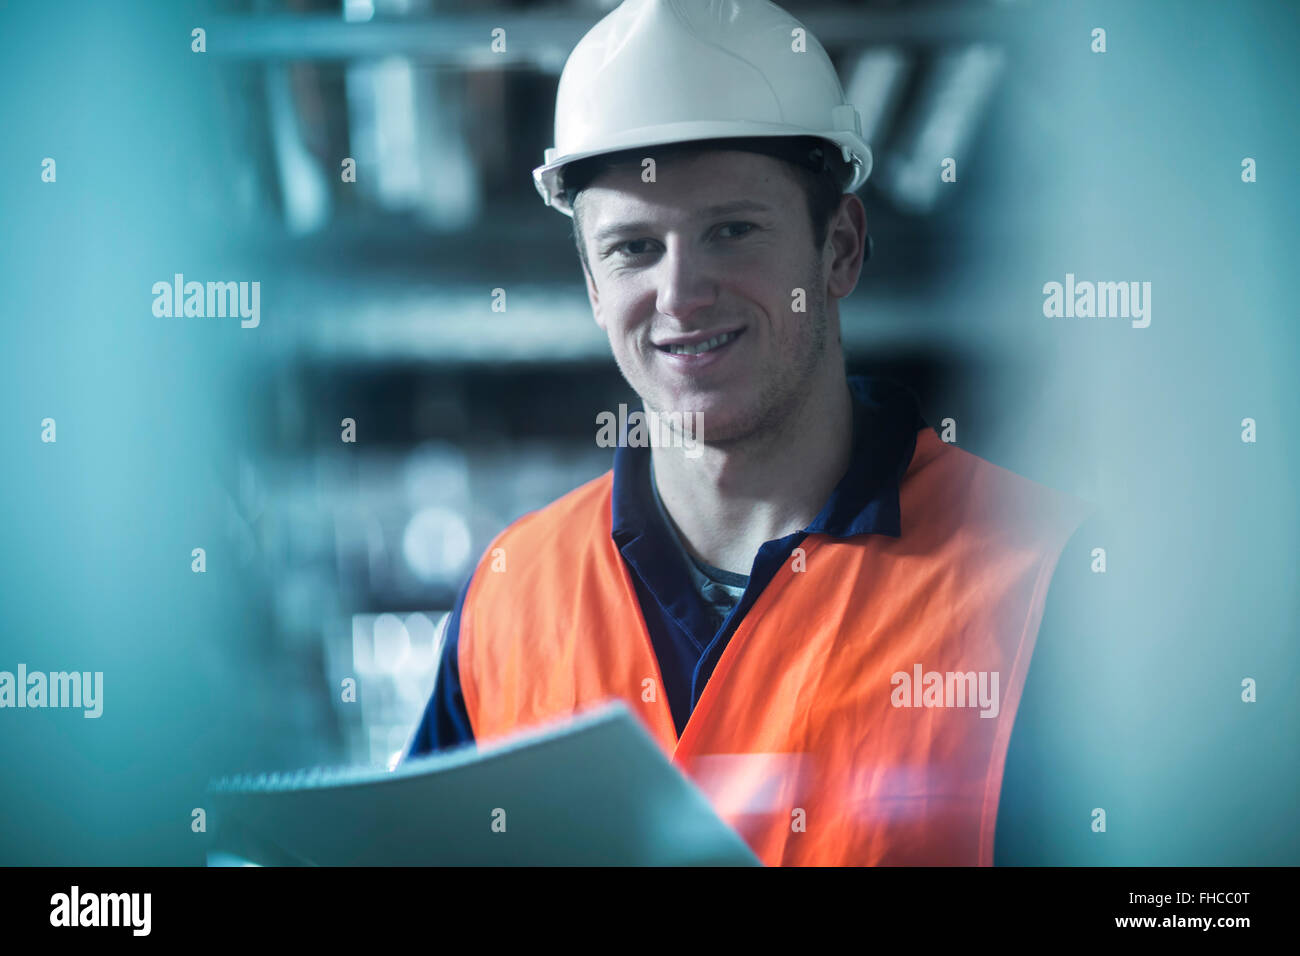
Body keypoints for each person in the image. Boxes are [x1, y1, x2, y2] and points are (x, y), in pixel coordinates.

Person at [404, 0, 1094, 866]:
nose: (682, 294)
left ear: (840, 248)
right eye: (632, 249)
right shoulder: (509, 599)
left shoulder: (1040, 579)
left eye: (731, 232)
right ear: (589, 284)